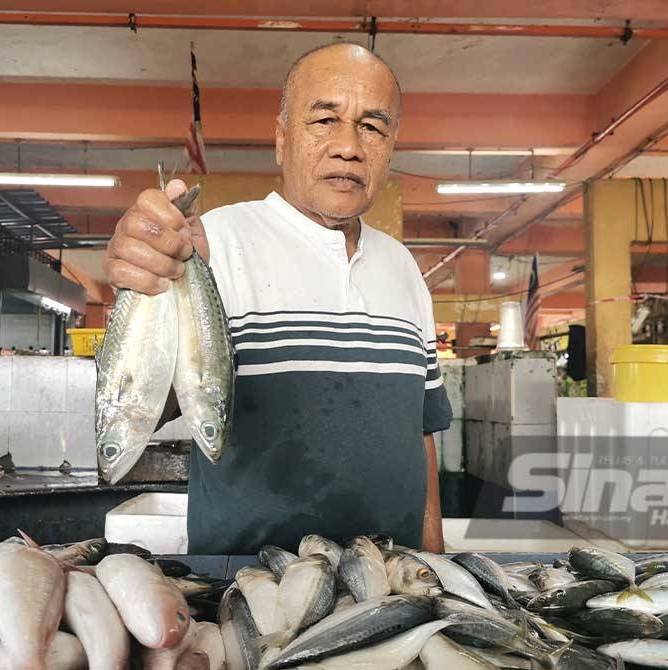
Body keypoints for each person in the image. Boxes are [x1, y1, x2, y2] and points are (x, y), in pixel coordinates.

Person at [104, 42, 452, 555]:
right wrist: (143, 285)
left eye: (372, 127)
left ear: (391, 145)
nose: (349, 147)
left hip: (392, 588)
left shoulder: (403, 267)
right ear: (282, 137)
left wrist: (435, 564)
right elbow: (142, 409)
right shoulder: (210, 244)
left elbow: (420, 435)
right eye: (324, 121)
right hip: (246, 593)